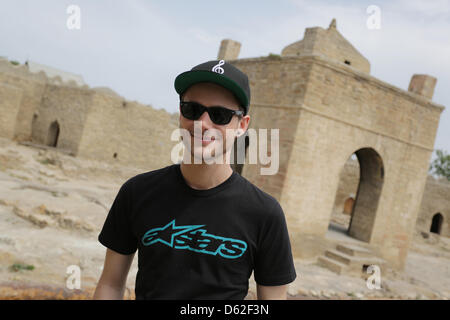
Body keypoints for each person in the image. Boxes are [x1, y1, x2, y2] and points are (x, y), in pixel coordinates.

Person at [93, 60, 296, 300]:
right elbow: (110, 285)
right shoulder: (137, 192)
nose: (202, 123)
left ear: (242, 125)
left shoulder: (265, 214)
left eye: (220, 115)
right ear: (180, 113)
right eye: (192, 109)